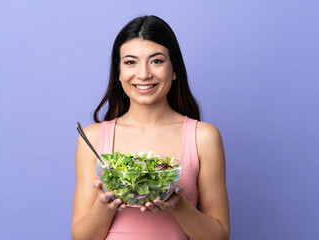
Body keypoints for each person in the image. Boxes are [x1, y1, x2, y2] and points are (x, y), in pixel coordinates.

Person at [71, 15, 230, 240]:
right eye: (130, 62)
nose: (144, 74)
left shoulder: (203, 137)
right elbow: (81, 238)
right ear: (118, 73)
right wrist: (105, 204)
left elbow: (219, 236)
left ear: (174, 70)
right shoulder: (92, 138)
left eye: (156, 61)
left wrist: (176, 204)